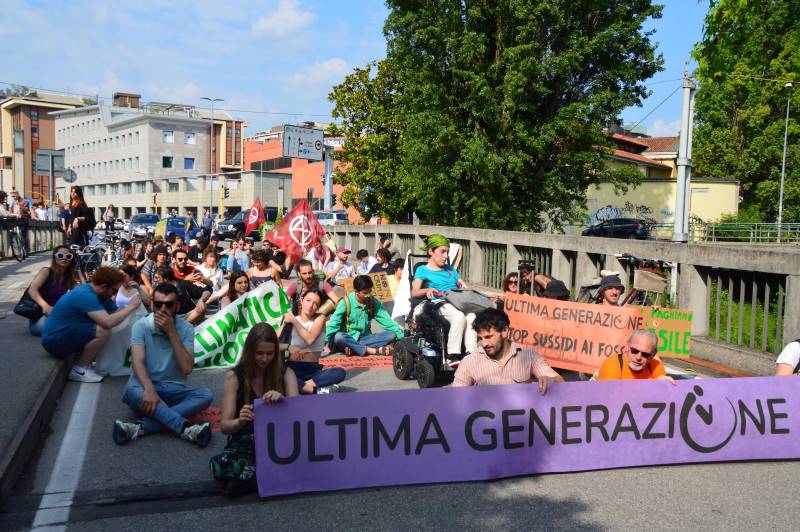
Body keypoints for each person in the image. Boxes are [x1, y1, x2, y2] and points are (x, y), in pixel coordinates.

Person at [113, 283, 213, 447]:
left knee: (205, 395)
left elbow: (186, 368)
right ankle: (186, 429)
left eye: (169, 305)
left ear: (177, 306)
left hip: (173, 390)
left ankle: (140, 427)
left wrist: (172, 332)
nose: (163, 309)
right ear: (152, 305)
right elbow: (138, 362)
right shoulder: (141, 326)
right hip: (146, 389)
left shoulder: (186, 328)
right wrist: (149, 389)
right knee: (131, 390)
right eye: (158, 304)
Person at [210, 323, 299, 496]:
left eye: (270, 353)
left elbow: (299, 416)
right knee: (226, 461)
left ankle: (249, 479)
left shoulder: (287, 374)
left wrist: (284, 402)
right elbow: (225, 426)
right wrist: (239, 420)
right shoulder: (234, 377)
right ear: (250, 351)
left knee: (301, 457)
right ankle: (261, 477)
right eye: (259, 353)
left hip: (279, 439)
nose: (264, 359)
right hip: (245, 441)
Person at [42, 267, 141, 382]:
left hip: (65, 333)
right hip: (54, 340)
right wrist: (131, 307)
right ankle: (80, 369)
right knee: (103, 331)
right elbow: (108, 322)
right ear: (104, 287)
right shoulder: (85, 294)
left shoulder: (101, 295)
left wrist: (131, 304)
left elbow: (115, 314)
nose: (114, 294)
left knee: (105, 327)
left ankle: (87, 363)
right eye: (114, 291)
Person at [452, 308, 563, 393]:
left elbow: (559, 381)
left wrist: (549, 380)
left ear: (505, 331)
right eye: (480, 338)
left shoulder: (529, 355)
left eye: (489, 337)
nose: (484, 343)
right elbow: (454, 397)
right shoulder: (469, 361)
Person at [411, 234, 477, 359]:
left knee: (472, 316)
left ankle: (471, 354)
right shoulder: (423, 270)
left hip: (457, 300)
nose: (446, 256)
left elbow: (465, 286)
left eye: (447, 252)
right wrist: (427, 289)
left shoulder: (451, 270)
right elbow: (414, 292)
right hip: (439, 303)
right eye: (442, 252)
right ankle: (453, 354)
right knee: (459, 317)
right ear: (431, 251)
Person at [284, 290, 346, 394]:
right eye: (308, 300)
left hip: (312, 369)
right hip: (292, 367)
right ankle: (312, 389)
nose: (311, 305)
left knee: (339, 372)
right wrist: (288, 346)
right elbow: (273, 342)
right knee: (280, 374)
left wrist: (294, 321)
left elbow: (310, 339)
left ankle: (301, 386)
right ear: (301, 300)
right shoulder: (290, 320)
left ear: (318, 307)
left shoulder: (319, 318)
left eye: (315, 303)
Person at [326, 275, 403, 356]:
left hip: (365, 339)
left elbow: (387, 321)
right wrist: (326, 341)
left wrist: (402, 338)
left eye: (370, 291)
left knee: (392, 335)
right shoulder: (346, 302)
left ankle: (354, 349)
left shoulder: (372, 302)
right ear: (357, 292)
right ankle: (372, 350)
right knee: (338, 337)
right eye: (365, 293)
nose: (369, 295)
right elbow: (333, 324)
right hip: (348, 338)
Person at [26, 246, 82, 336]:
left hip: (58, 315)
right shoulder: (46, 271)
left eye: (68, 256)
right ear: (54, 257)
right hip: (41, 319)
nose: (64, 258)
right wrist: (45, 306)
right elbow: (32, 290)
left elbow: (84, 292)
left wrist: (79, 271)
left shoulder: (69, 276)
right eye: (60, 255)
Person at [596, 330, 674, 382]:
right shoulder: (612, 364)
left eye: (645, 354)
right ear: (627, 346)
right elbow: (613, 395)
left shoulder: (656, 366)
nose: (638, 357)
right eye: (634, 351)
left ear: (653, 355)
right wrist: (653, 386)